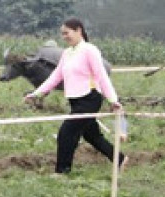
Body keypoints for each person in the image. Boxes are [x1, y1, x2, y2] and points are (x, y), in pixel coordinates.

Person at [25, 17, 125, 174]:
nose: (64, 37)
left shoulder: (90, 50)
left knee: (66, 133)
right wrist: (36, 93)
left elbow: (101, 76)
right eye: (62, 34)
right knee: (92, 136)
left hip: (89, 99)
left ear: (79, 30)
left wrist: (113, 100)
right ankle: (119, 159)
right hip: (75, 100)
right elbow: (56, 77)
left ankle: (62, 171)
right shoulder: (67, 53)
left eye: (67, 33)